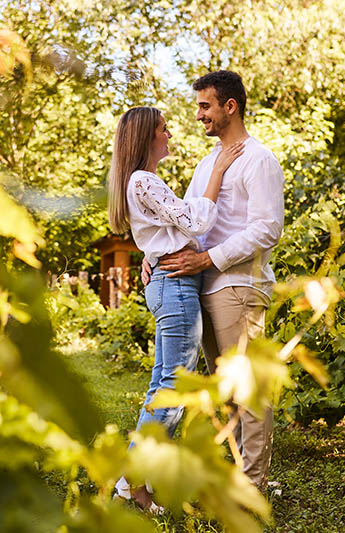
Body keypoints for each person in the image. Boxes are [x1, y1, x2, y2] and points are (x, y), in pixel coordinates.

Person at [143, 70, 285, 493]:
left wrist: (208, 257)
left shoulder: (259, 160)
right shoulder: (207, 164)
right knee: (225, 393)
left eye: (205, 105)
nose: (199, 114)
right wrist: (155, 257)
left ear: (230, 106)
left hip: (239, 286)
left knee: (247, 391)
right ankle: (240, 478)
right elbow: (185, 222)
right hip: (202, 286)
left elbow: (267, 229)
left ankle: (252, 488)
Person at [107, 106, 243, 510]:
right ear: (148, 136)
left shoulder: (141, 182)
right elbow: (195, 222)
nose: (170, 134)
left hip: (171, 283)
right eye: (164, 129)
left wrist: (153, 252)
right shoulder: (143, 181)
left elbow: (172, 228)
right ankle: (130, 478)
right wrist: (218, 173)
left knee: (162, 385)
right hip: (176, 287)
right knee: (174, 388)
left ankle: (135, 487)